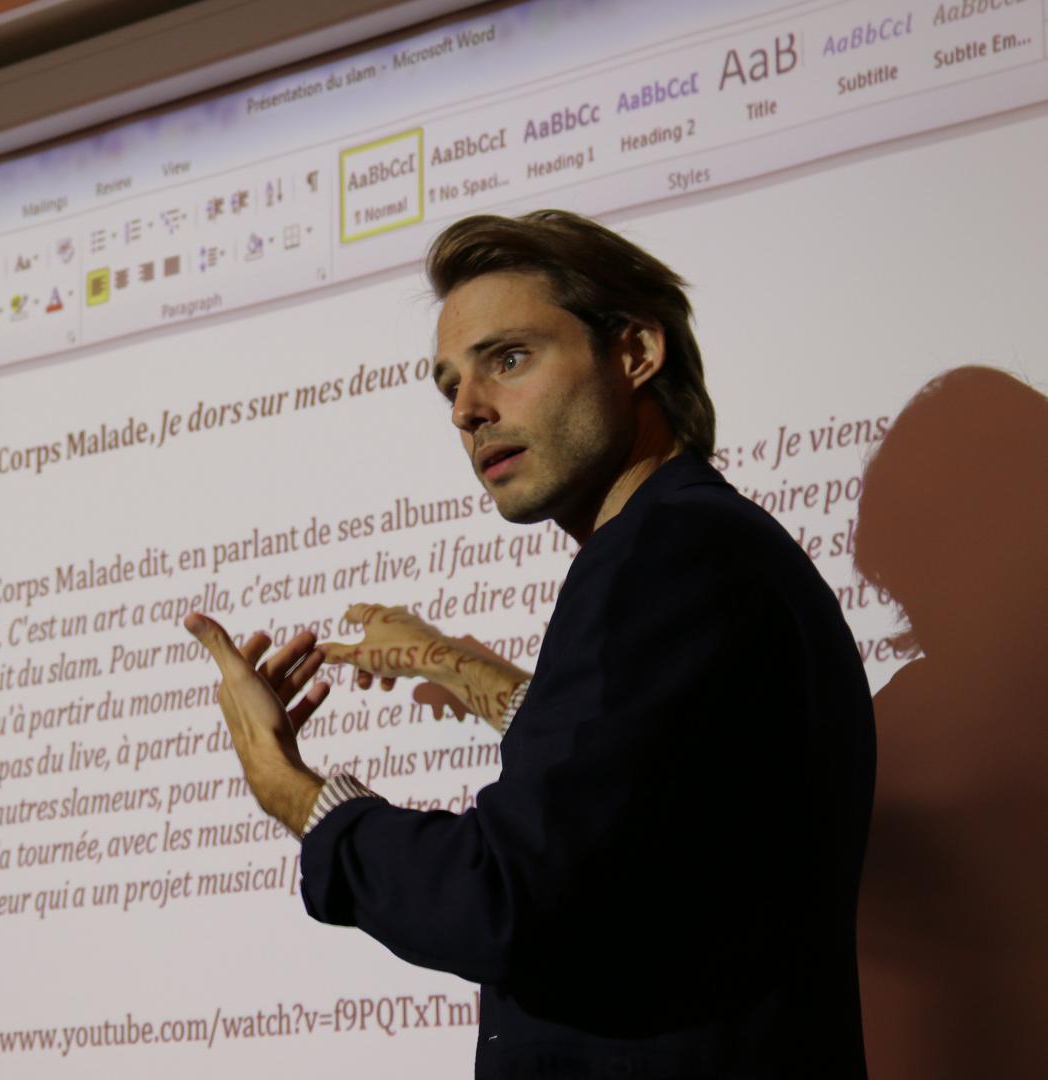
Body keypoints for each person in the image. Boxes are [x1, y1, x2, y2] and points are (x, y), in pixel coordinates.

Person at [183, 210, 877, 1078]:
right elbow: (642, 788)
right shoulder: (708, 547)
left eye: (508, 360)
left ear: (635, 353)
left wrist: (286, 784)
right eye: (450, 386)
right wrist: (452, 662)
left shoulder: (667, 556)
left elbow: (507, 896)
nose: (467, 410)